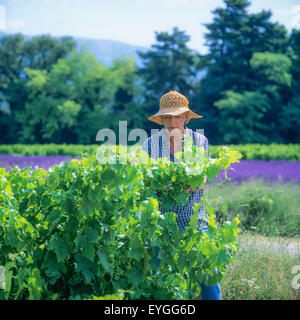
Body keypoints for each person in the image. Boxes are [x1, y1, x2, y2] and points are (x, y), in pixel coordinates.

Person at [142, 90, 221, 300]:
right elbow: (145, 182)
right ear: (161, 120)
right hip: (160, 221)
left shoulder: (199, 141)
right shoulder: (149, 145)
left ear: (186, 117)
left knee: (208, 272)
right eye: (167, 117)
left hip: (194, 219)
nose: (172, 121)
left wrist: (172, 184)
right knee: (157, 276)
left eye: (177, 116)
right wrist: (175, 184)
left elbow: (201, 179)